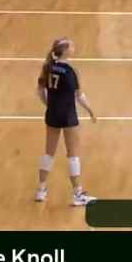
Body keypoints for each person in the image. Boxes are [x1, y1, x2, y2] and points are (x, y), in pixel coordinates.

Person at [35, 38, 98, 206]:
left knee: (48, 153)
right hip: (68, 116)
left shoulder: (47, 67)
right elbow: (79, 96)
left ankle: (41, 190)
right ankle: (77, 194)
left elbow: (40, 91)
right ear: (65, 50)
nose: (74, 47)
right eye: (71, 45)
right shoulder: (71, 71)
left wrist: (49, 105)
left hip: (52, 114)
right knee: (73, 154)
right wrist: (90, 110)